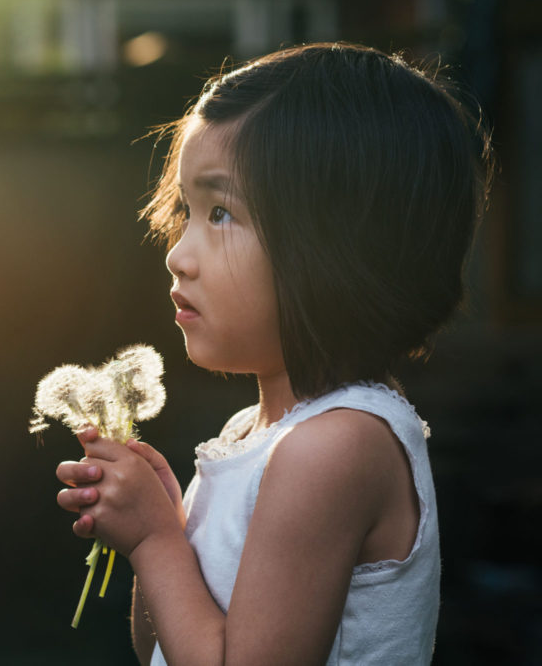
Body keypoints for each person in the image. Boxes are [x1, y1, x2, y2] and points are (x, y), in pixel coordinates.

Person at [55, 42, 493, 665]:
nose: (178, 254)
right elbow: (166, 650)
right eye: (185, 212)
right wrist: (165, 525)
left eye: (221, 212)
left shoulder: (335, 447)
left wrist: (155, 540)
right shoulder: (254, 434)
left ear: (338, 247)